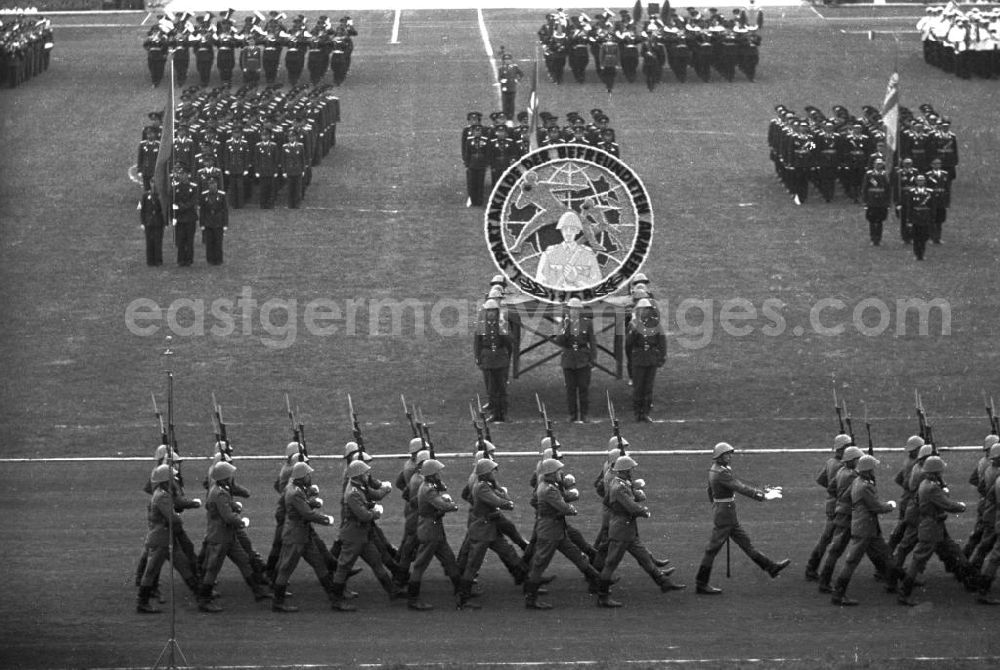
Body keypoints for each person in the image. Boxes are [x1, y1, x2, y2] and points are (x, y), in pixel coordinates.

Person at [695, 442, 790, 594]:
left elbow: (709, 490)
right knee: (712, 550)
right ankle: (701, 583)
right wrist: (762, 495)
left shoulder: (716, 470)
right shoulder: (722, 473)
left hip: (725, 514)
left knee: (746, 544)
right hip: (725, 517)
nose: (729, 456)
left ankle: (771, 567)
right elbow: (739, 487)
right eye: (726, 454)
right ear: (719, 457)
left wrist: (715, 505)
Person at [598, 455, 685, 607]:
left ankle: (664, 583)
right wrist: (643, 511)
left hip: (626, 529)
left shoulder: (620, 483)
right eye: (630, 469)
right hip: (621, 531)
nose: (632, 471)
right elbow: (630, 506)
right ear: (624, 470)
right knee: (611, 564)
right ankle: (602, 597)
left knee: (644, 557)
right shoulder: (618, 487)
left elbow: (609, 500)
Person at [525, 458, 602, 609]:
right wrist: (571, 509)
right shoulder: (549, 489)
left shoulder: (547, 486)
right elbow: (563, 507)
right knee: (540, 564)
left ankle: (600, 581)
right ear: (552, 474)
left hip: (556, 530)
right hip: (550, 531)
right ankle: (531, 599)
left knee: (576, 555)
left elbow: (537, 501)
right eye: (558, 471)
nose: (561, 473)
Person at [330, 460, 404, 611]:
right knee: (344, 566)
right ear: (358, 475)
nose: (368, 475)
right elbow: (363, 515)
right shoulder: (352, 493)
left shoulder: (359, 487)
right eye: (365, 473)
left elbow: (373, 495)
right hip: (353, 535)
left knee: (376, 561)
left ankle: (393, 591)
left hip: (362, 534)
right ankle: (336, 601)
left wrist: (383, 491)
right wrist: (376, 513)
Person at [898, 456, 973, 606]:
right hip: (931, 528)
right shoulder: (931, 487)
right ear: (934, 473)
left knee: (953, 551)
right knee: (918, 560)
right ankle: (904, 593)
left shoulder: (927, 484)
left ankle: (970, 580)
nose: (942, 474)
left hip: (934, 526)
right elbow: (947, 504)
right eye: (940, 472)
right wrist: (961, 506)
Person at [198, 462, 272, 612]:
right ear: (224, 478)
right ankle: (204, 600)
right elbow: (227, 517)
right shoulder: (218, 493)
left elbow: (227, 505)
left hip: (228, 537)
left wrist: (234, 506)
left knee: (244, 560)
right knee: (213, 569)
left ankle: (257, 591)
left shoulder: (221, 490)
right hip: (220, 537)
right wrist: (241, 522)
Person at [830, 455, 902, 606]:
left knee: (886, 555)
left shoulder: (858, 481)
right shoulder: (864, 486)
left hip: (866, 528)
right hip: (865, 530)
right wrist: (891, 505)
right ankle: (838, 594)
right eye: (872, 469)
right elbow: (876, 507)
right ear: (868, 471)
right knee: (852, 562)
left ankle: (893, 583)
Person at [271, 461, 336, 612]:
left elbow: (304, 505)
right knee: (286, 569)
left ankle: (334, 598)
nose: (309, 476)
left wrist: (312, 501)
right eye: (308, 474)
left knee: (319, 564)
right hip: (295, 536)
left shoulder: (295, 487)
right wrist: (326, 519)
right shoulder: (294, 492)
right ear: (301, 476)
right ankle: (277, 603)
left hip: (302, 535)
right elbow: (306, 513)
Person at [136, 464, 201, 613]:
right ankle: (142, 603)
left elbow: (177, 504)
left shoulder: (163, 493)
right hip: (161, 540)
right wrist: (178, 516)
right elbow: (173, 518)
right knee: (151, 572)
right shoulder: (162, 496)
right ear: (166, 480)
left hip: (166, 539)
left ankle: (201, 597)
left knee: (184, 567)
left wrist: (191, 504)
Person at [457, 458, 518, 609]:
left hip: (489, 529)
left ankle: (526, 579)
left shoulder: (487, 485)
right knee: (473, 565)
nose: (494, 473)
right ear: (485, 473)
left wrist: (504, 497)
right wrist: (507, 502)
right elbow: (498, 501)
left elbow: (502, 497)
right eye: (492, 471)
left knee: (508, 552)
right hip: (482, 531)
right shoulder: (482, 488)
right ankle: (463, 600)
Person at [407, 459, 462, 611]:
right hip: (430, 531)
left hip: (434, 530)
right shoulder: (428, 489)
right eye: (437, 472)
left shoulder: (429, 486)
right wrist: (452, 505)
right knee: (420, 565)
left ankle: (461, 593)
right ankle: (413, 599)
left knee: (450, 560)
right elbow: (442, 505)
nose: (439, 474)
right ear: (431, 474)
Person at [805, 434, 852, 581]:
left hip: (831, 502)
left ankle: (811, 568)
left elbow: (821, 480)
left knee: (826, 539)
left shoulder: (831, 462)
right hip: (838, 505)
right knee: (828, 539)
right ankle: (811, 568)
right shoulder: (841, 466)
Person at [554, 298, 595, 423]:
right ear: (569, 310)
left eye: (577, 309)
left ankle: (584, 414)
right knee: (570, 389)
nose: (574, 311)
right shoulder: (563, 323)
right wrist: (566, 327)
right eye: (572, 309)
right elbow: (559, 341)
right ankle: (572, 414)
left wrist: (592, 359)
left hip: (583, 358)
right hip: (568, 359)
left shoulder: (587, 323)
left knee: (583, 388)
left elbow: (592, 341)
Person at [535, 212, 602, 290]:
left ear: (577, 231)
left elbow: (597, 284)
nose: (568, 232)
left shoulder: (588, 254)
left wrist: (577, 277)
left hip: (583, 298)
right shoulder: (549, 254)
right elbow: (540, 282)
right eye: (565, 228)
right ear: (561, 230)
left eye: (572, 229)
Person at [626, 299, 665, 422]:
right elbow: (628, 344)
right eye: (642, 309)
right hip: (638, 358)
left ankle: (646, 412)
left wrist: (661, 357)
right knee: (638, 387)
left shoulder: (655, 324)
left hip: (651, 358)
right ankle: (638, 413)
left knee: (648, 387)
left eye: (646, 309)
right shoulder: (634, 324)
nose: (644, 312)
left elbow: (661, 341)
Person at [474, 299, 513, 423]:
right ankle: (495, 414)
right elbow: (477, 344)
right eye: (488, 311)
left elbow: (509, 343)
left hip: (500, 360)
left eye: (493, 311)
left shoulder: (502, 324)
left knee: (502, 389)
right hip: (488, 359)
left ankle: (504, 414)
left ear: (497, 312)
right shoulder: (481, 325)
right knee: (492, 390)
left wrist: (507, 358)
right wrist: (478, 359)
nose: (491, 313)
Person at [974, 442, 1000, 605]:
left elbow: (987, 493)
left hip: (994, 516)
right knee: (995, 556)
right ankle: (983, 588)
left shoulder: (994, 475)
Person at [861, 158, 891, 246]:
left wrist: (888, 202)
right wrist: (865, 200)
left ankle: (878, 238)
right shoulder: (869, 174)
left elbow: (888, 189)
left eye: (880, 164)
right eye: (877, 164)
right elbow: (865, 188)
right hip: (871, 201)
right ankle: (873, 237)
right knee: (872, 220)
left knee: (880, 221)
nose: (879, 166)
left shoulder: (885, 175)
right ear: (874, 165)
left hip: (881, 201)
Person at [172, 169, 198, 267]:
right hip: (180, 218)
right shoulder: (175, 188)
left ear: (188, 175)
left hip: (190, 217)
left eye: (184, 174)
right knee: (181, 240)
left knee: (189, 240)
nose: (182, 176)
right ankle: (181, 260)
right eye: (180, 174)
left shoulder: (193, 187)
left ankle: (189, 260)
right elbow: (173, 200)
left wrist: (183, 207)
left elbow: (193, 200)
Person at [905, 174, 935, 260]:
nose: (920, 182)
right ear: (916, 181)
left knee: (924, 236)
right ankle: (917, 253)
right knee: (916, 237)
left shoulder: (930, 192)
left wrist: (932, 218)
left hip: (925, 217)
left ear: (924, 181)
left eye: (922, 180)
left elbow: (932, 207)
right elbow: (910, 207)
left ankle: (922, 252)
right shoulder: (912, 192)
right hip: (915, 218)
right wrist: (909, 220)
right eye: (919, 180)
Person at [200, 178, 228, 266]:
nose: (212, 186)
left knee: (218, 242)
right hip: (208, 221)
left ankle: (218, 259)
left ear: (216, 185)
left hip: (218, 221)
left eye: (214, 184)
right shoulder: (204, 195)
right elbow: (202, 211)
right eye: (210, 185)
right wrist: (202, 223)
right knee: (209, 242)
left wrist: (225, 224)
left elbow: (225, 210)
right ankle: (210, 259)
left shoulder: (222, 195)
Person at [463, 124, 490, 207]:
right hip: (472, 165)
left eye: (479, 131)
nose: (477, 133)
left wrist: (486, 164)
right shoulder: (469, 141)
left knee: (480, 183)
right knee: (472, 183)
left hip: (481, 165)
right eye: (475, 131)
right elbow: (467, 153)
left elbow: (487, 153)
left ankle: (479, 201)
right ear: (473, 132)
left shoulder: (485, 140)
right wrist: (467, 164)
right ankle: (473, 200)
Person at [139, 187, 165, 267]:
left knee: (158, 242)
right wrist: (143, 222)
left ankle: (158, 260)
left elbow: (163, 209)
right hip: (148, 222)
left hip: (158, 222)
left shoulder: (160, 196)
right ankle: (150, 261)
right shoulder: (145, 196)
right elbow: (141, 209)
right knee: (149, 242)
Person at [497, 49, 523, 119]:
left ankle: (511, 116)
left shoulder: (515, 67)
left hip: (512, 88)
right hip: (505, 88)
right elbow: (499, 78)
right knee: (505, 103)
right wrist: (502, 81)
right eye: (506, 59)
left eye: (508, 59)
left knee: (511, 103)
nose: (507, 61)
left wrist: (517, 80)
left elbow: (521, 74)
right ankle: (505, 115)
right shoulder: (501, 68)